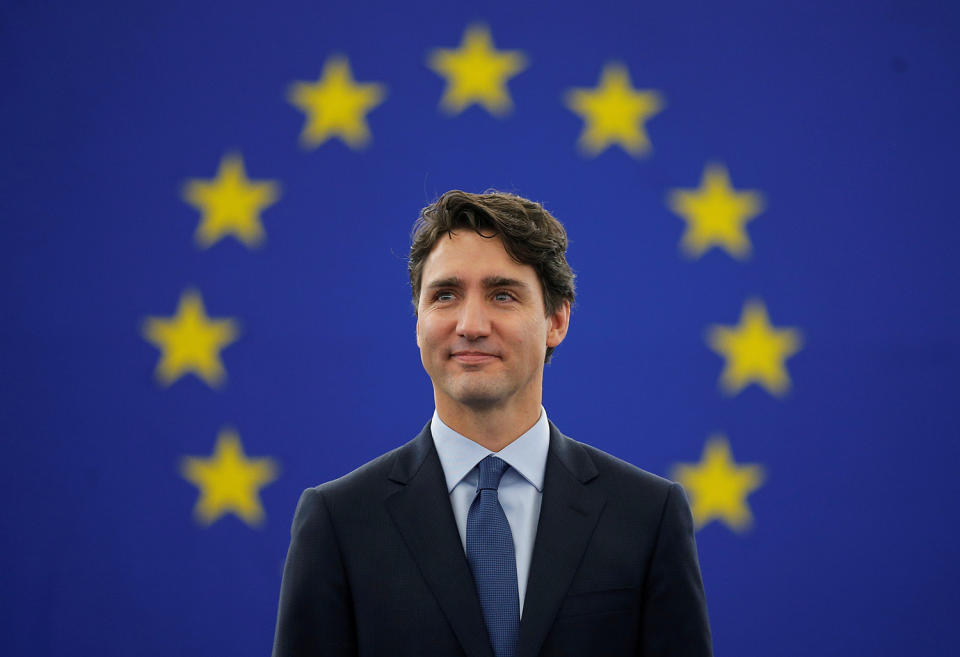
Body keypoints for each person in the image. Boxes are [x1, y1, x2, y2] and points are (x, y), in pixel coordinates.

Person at [272, 190, 713, 657]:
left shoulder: (647, 514)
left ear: (556, 320)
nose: (471, 324)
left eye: (502, 294)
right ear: (418, 321)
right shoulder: (338, 521)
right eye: (445, 295)